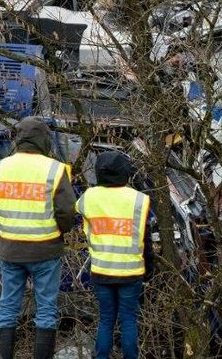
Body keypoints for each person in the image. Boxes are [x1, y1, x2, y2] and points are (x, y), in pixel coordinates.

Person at [0, 117, 76, 359]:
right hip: (46, 251)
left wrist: (6, 231)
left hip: (11, 251)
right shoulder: (55, 169)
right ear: (45, 139)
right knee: (46, 310)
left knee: (8, 307)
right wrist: (59, 232)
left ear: (18, 139)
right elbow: (67, 212)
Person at [75, 150, 153, 359]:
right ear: (125, 172)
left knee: (106, 319)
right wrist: (149, 270)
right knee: (128, 319)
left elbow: (75, 211)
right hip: (131, 270)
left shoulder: (88, 198)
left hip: (101, 270)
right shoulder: (139, 200)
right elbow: (146, 240)